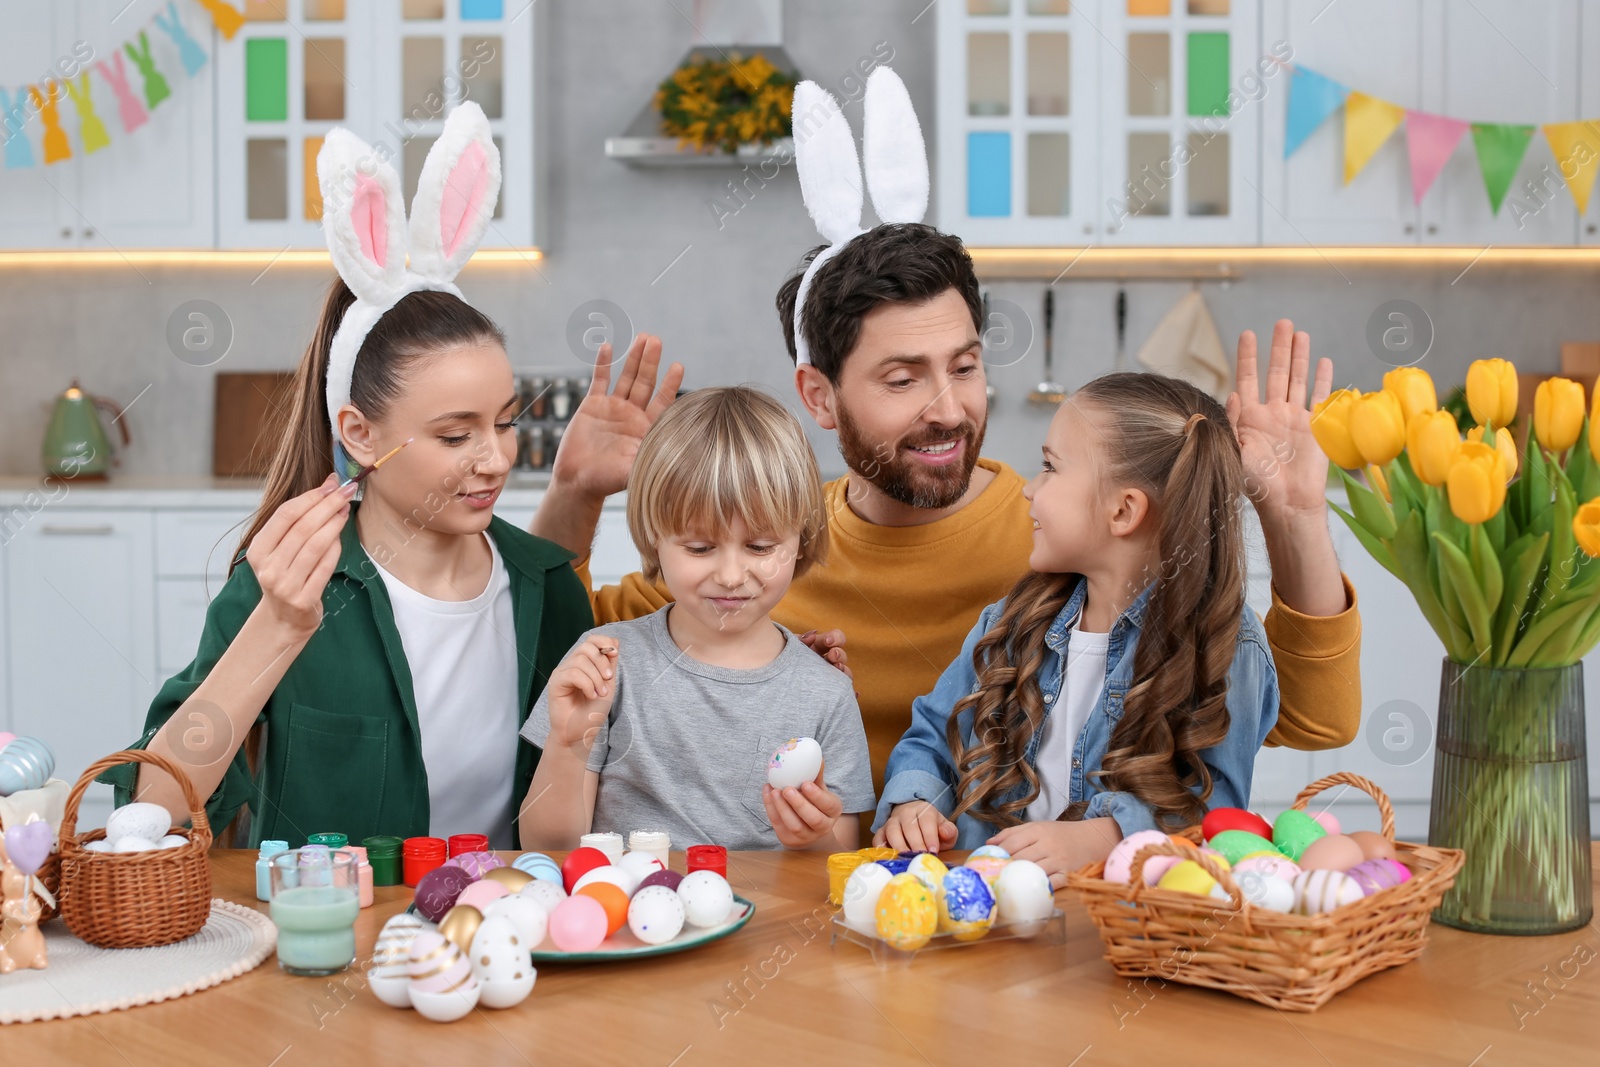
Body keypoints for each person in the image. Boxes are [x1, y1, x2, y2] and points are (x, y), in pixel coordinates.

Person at [100, 105, 592, 849]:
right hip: (332, 947)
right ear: (359, 433)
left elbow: (571, 816)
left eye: (504, 421)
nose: (494, 458)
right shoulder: (286, 588)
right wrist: (278, 626)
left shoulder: (548, 585)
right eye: (456, 434)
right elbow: (151, 807)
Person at [875, 374, 1278, 885]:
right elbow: (933, 737)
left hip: (1114, 937)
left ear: (1123, 510)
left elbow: (1216, 814)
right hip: (987, 922)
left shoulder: (1224, 644)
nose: (1028, 487)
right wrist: (915, 801)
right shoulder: (1007, 623)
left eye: (1049, 467)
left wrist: (1108, 836)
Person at [518, 387, 874, 852]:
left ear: (801, 541)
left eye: (761, 547)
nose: (730, 575)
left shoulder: (826, 692)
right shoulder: (606, 666)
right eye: (700, 548)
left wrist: (812, 837)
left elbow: (838, 861)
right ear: (653, 538)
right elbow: (547, 849)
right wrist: (569, 745)